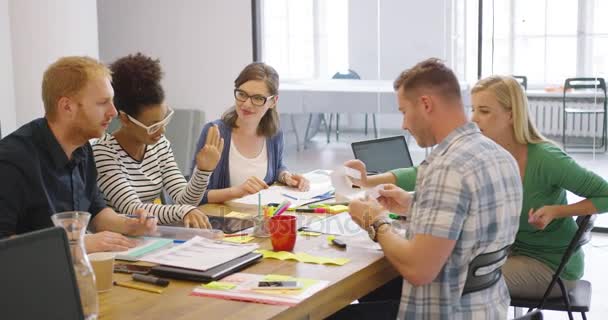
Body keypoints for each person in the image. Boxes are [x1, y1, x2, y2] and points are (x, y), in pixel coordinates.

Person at [348, 75, 608, 299]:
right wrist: (370, 181)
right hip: (508, 253)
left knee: (440, 281)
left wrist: (556, 210)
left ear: (511, 114)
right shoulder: (487, 152)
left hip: (550, 268)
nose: (474, 119)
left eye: (484, 111)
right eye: (473, 109)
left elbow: (605, 194)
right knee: (416, 276)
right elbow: (425, 172)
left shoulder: (546, 158)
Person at [331, 58, 522, 319]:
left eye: (403, 111)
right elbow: (471, 217)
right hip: (487, 307)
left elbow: (419, 270)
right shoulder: (499, 155)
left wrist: (373, 220)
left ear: (425, 104)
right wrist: (414, 204)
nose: (404, 124)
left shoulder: (448, 167)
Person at [0, 56, 156, 253]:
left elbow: (97, 211)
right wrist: (77, 244)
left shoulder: (82, 147)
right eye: (103, 103)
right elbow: (3, 244)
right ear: (67, 107)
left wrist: (129, 224)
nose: (114, 112)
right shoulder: (12, 160)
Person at [93, 53, 222, 228]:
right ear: (124, 118)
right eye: (153, 126)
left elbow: (183, 200)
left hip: (147, 235)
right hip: (118, 241)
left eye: (164, 120)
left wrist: (203, 171)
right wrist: (182, 211)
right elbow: (133, 208)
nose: (162, 131)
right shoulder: (103, 153)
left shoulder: (159, 146)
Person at [192, 62, 309, 204]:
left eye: (258, 98)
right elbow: (193, 196)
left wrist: (286, 176)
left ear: (273, 101)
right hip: (219, 221)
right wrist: (236, 192)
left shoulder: (274, 134)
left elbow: (277, 167)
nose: (246, 104)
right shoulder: (214, 132)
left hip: (259, 219)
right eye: (242, 94)